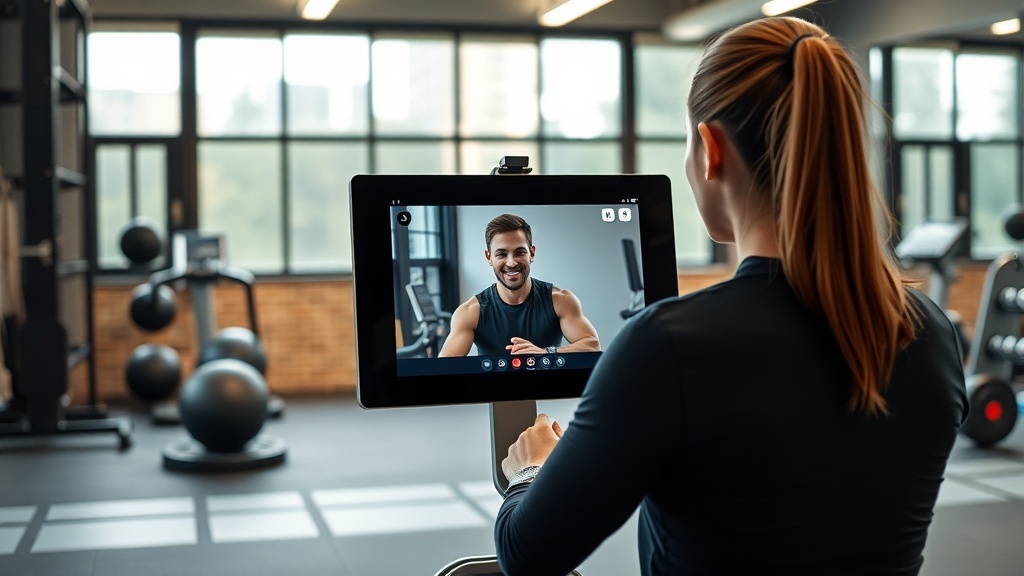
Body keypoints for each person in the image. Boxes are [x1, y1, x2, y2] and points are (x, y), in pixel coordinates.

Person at [494, 16, 967, 576]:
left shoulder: (670, 346)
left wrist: (532, 472)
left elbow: (529, 555)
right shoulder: (931, 331)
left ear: (710, 149)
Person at [438, 213, 601, 357]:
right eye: (501, 254)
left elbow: (592, 345)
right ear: (489, 257)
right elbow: (444, 369)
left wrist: (545, 352)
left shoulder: (559, 300)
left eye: (519, 252)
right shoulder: (471, 312)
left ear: (532, 253)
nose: (511, 262)